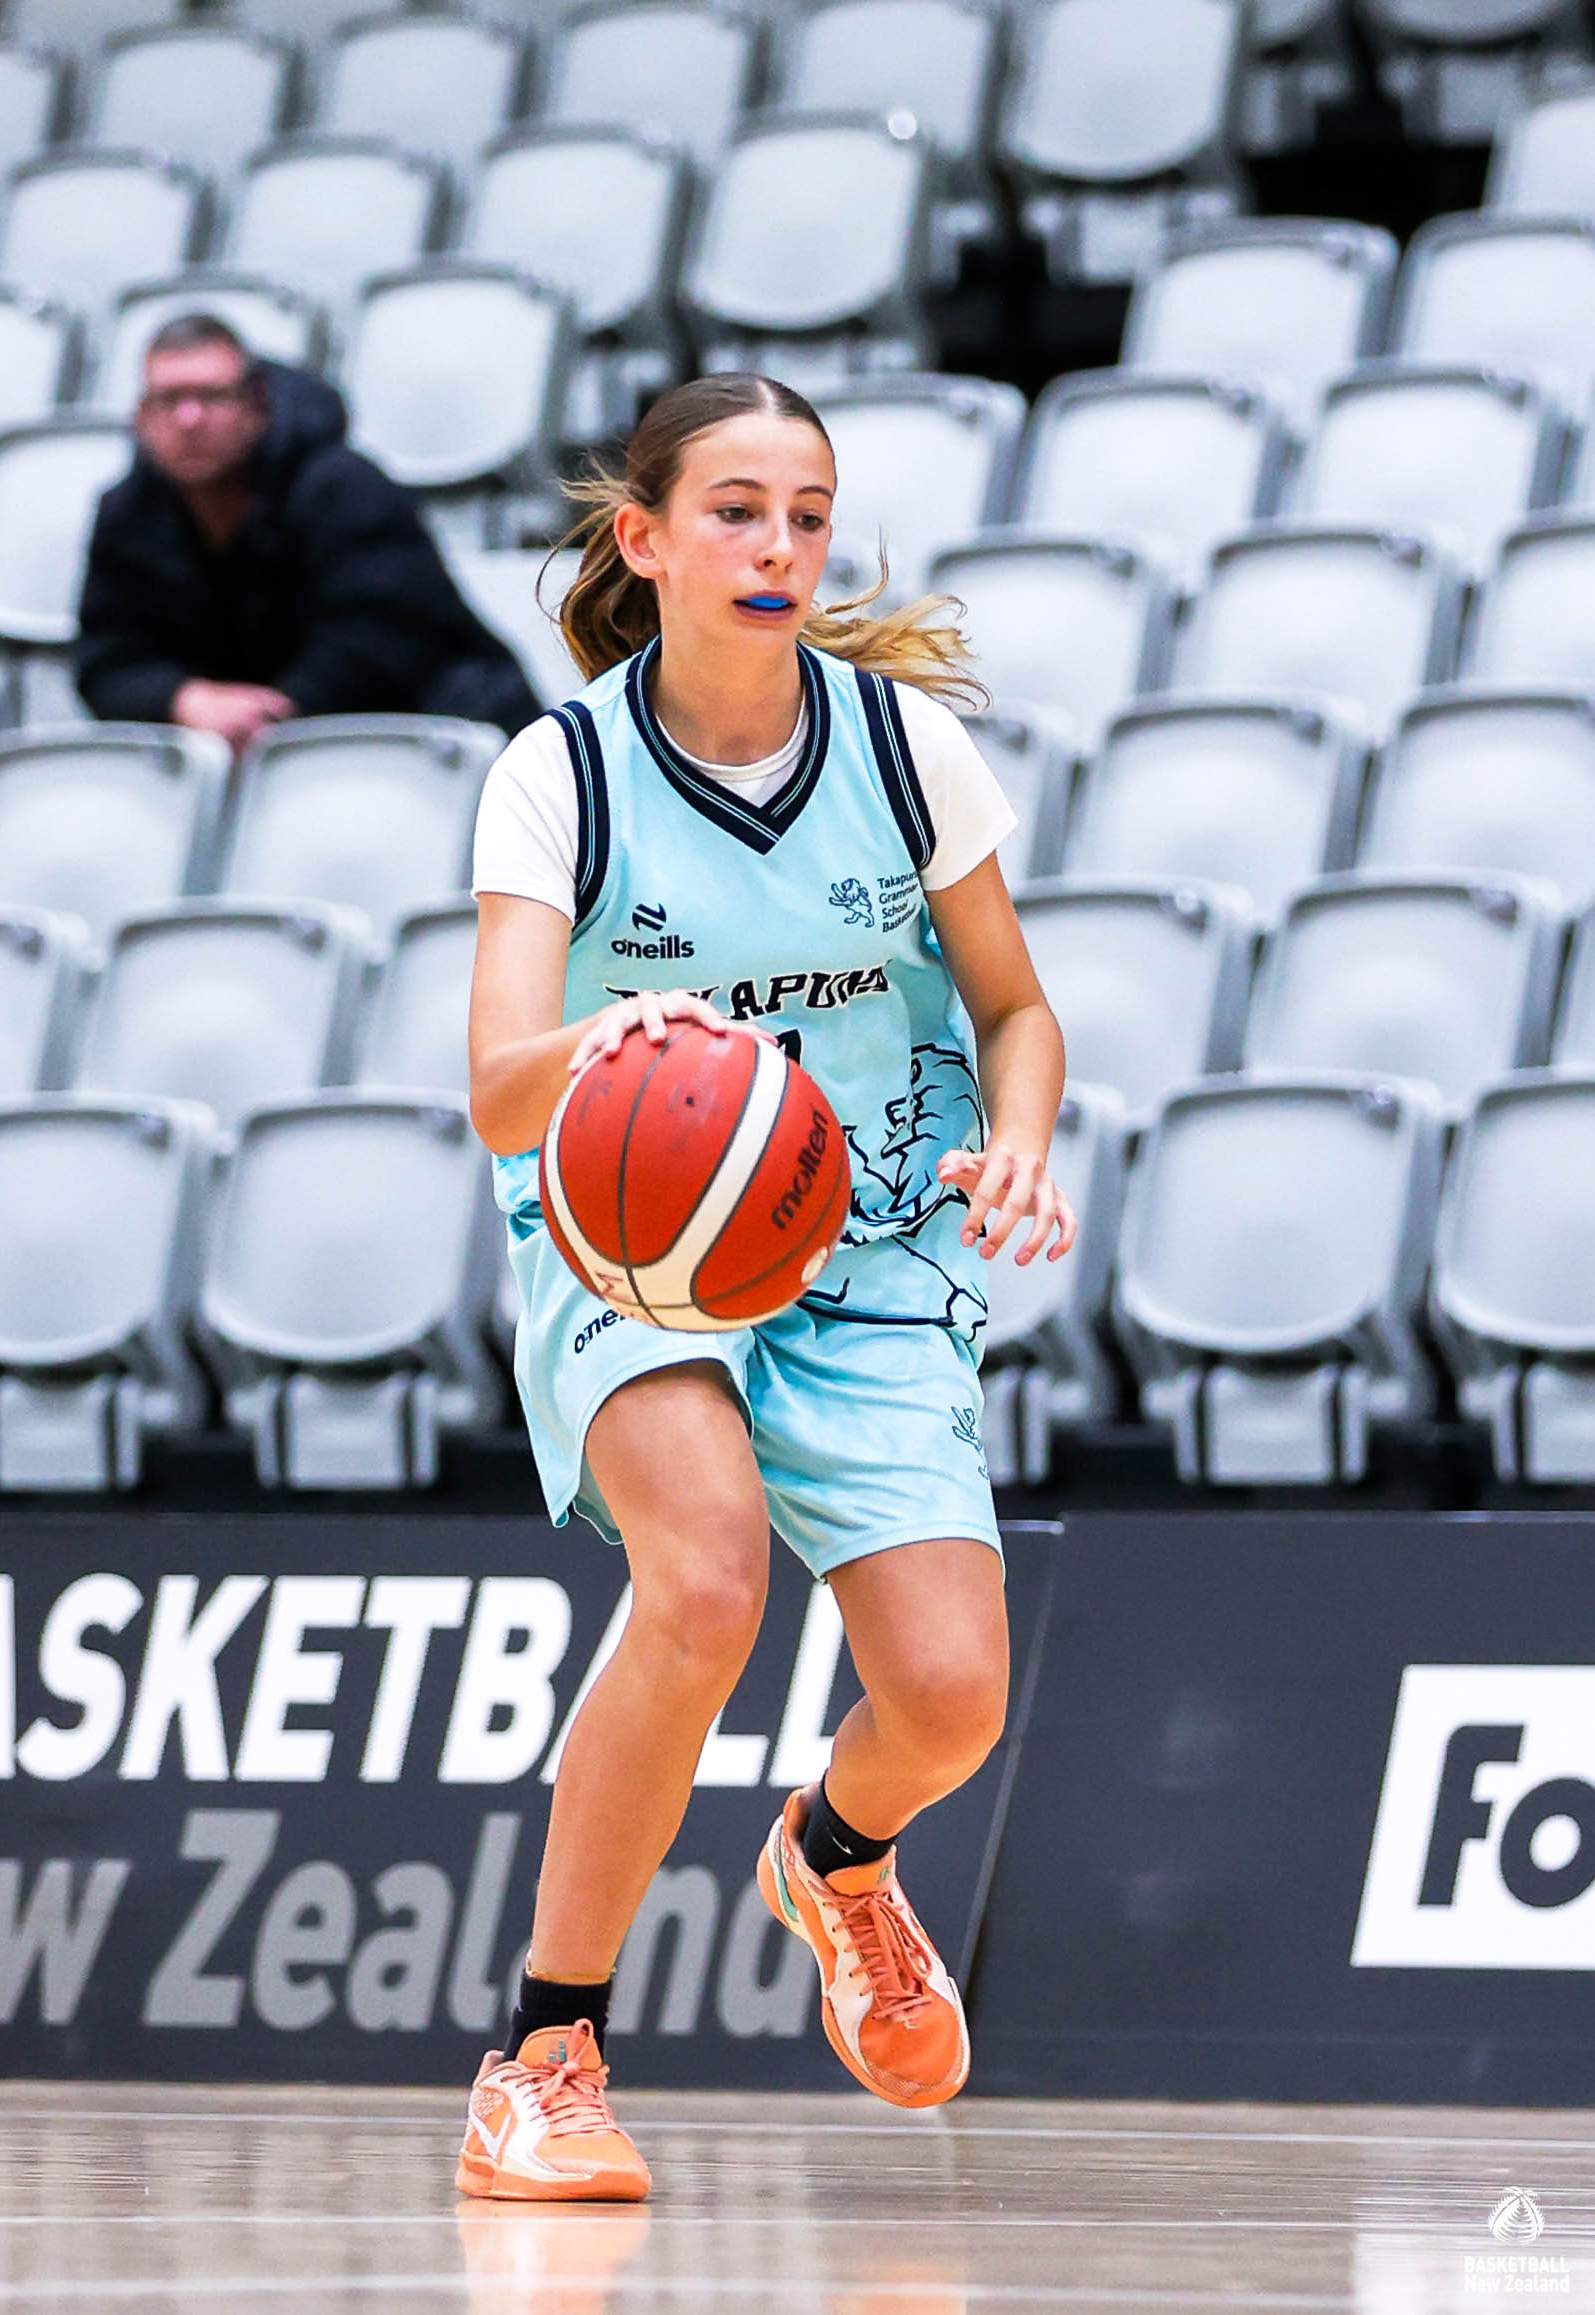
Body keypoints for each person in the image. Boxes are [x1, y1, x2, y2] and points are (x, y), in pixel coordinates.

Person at [461, 373, 1076, 2201]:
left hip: (868, 1228)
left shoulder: (902, 748)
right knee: (707, 1578)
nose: (779, 545)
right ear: (643, 540)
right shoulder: (559, 772)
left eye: (806, 513)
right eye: (735, 509)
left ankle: (834, 1854)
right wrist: (604, 1042)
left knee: (952, 1698)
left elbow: (1014, 1009)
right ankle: (545, 2057)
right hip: (635, 1235)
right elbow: (495, 1087)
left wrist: (1022, 1139)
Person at [74, 315, 541, 750]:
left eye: (212, 396)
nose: (189, 419)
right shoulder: (126, 513)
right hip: (274, 760)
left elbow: (383, 639)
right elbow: (105, 659)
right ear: (142, 415)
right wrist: (183, 700)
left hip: (443, 734)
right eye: (169, 400)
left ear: (255, 404)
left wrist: (272, 714)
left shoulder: (345, 487)